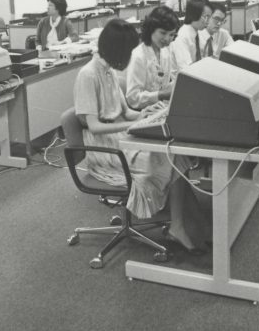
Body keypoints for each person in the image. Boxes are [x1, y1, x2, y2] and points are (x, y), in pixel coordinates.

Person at [74, 19, 210, 253]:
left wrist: (145, 116)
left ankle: (181, 225)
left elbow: (125, 111)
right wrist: (128, 126)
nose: (129, 56)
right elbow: (94, 126)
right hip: (103, 147)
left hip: (118, 135)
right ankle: (185, 224)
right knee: (165, 156)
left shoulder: (107, 72)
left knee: (173, 154)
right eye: (126, 50)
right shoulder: (88, 75)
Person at [125, 6, 179, 110]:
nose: (167, 39)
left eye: (172, 34)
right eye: (163, 33)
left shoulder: (165, 51)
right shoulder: (139, 56)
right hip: (142, 112)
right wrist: (160, 95)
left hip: (161, 108)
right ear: (151, 29)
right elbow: (133, 99)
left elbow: (164, 85)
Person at [171, 0, 211, 74]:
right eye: (206, 17)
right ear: (194, 15)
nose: (208, 21)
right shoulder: (183, 37)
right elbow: (187, 71)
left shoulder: (197, 32)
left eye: (209, 17)